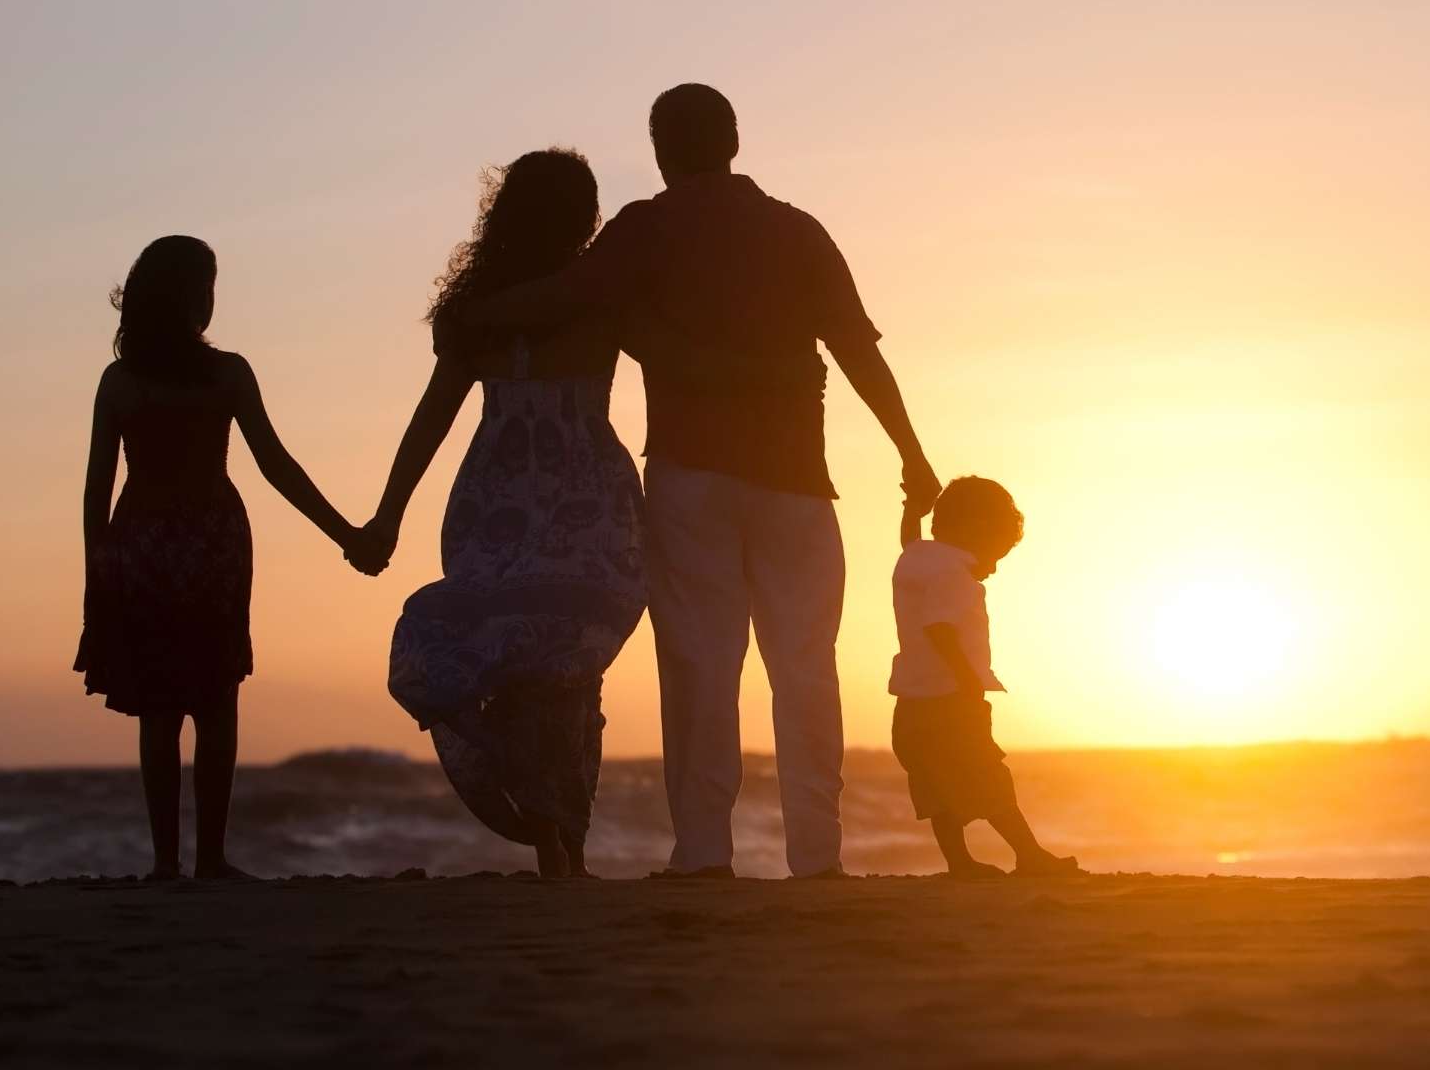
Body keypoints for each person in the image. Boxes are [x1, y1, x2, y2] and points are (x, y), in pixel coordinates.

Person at [460, 83, 939, 879]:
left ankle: (706, 856)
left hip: (693, 479)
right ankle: (817, 858)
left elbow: (565, 295)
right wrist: (912, 457)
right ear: (736, 141)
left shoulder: (646, 227)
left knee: (700, 667)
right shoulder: (798, 231)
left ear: (659, 149)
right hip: (797, 483)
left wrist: (474, 316)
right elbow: (860, 354)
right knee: (806, 669)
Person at [358, 150, 648, 878]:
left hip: (496, 501)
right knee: (570, 668)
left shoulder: (476, 312)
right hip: (586, 496)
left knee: (524, 663)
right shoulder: (599, 295)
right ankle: (563, 841)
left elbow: (430, 421)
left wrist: (389, 514)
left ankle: (554, 835)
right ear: (583, 216)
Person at [77, 235, 365, 881]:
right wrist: (346, 534)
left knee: (158, 710)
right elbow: (277, 467)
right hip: (212, 545)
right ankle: (211, 859)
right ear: (190, 297)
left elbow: (97, 492)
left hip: (144, 545)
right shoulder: (227, 373)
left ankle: (164, 863)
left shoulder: (121, 381)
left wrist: (96, 578)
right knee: (215, 702)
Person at [888, 476, 1078, 877]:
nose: (990, 569)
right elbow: (939, 627)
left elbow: (910, 540)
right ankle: (1028, 854)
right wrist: (968, 680)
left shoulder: (918, 557)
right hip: (950, 700)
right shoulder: (954, 576)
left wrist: (911, 511)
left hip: (910, 706)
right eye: (995, 553)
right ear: (975, 531)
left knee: (936, 786)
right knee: (988, 777)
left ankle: (959, 862)